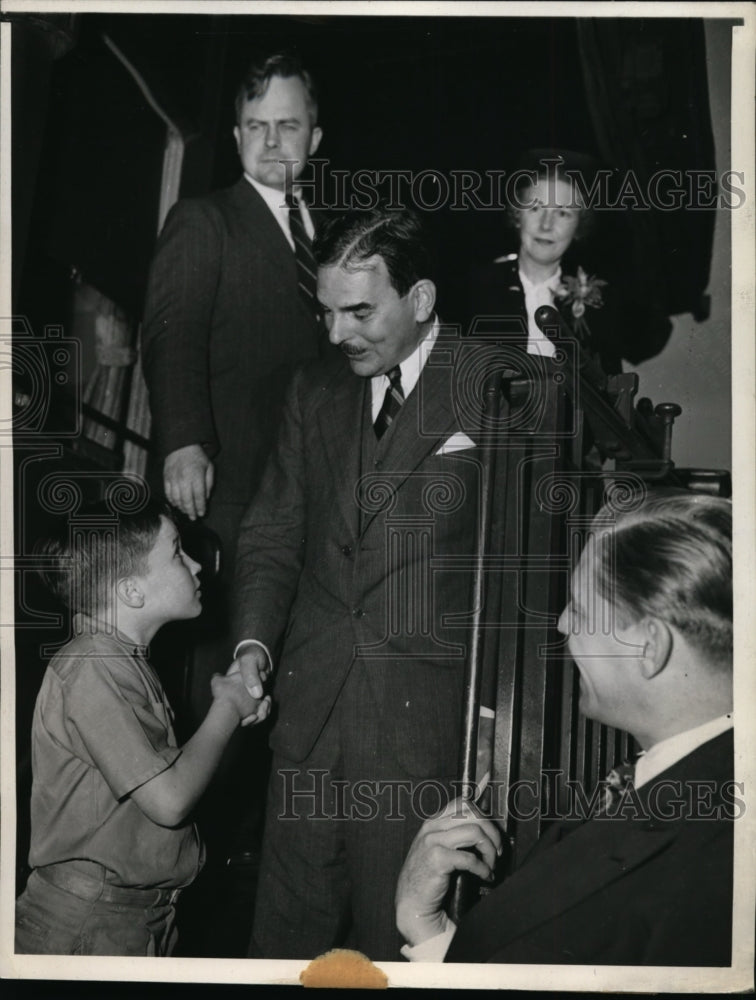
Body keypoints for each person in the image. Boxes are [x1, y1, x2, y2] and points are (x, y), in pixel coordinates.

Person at [232, 206, 482, 960]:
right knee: (282, 950)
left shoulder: (497, 388)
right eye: (327, 312)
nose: (338, 334)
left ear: (422, 300)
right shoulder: (314, 392)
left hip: (420, 736)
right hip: (309, 721)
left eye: (359, 312)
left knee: (394, 948)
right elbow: (273, 532)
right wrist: (252, 645)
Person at [396, 488, 734, 965]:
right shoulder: (674, 787)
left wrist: (419, 925)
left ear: (649, 646)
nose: (560, 625)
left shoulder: (709, 866)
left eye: (577, 608)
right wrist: (429, 929)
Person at [140, 48, 325, 727]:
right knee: (211, 674)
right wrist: (185, 441)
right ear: (238, 136)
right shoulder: (205, 220)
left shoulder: (329, 240)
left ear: (315, 138)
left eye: (290, 125)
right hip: (224, 487)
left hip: (305, 488)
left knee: (280, 668)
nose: (274, 141)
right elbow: (172, 332)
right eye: (257, 126)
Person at [14, 499, 271, 956]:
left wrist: (230, 711)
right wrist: (227, 708)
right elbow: (170, 801)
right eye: (176, 552)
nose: (195, 565)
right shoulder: (92, 666)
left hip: (136, 918)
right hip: (88, 926)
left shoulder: (122, 662)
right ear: (132, 592)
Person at [472, 149, 623, 376]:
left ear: (579, 226)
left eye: (562, 213)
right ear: (517, 215)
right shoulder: (476, 287)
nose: (546, 225)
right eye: (535, 208)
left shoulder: (599, 304)